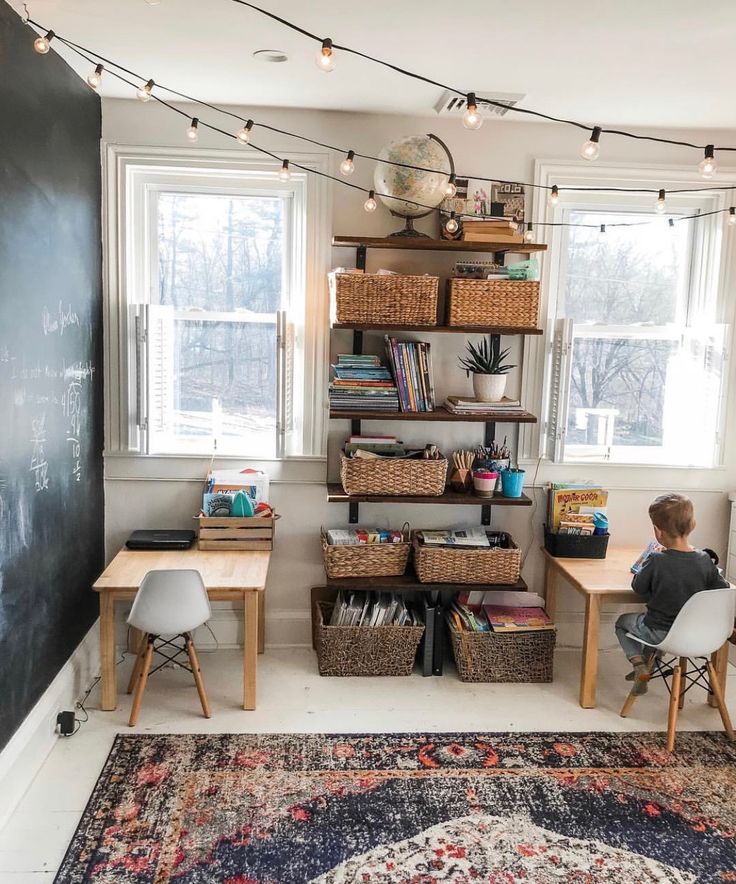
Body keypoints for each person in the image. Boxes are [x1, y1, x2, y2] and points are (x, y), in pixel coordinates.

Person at [615, 493, 729, 695]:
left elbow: (638, 588)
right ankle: (651, 666)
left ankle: (639, 664)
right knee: (658, 630)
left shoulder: (657, 560)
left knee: (623, 623)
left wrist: (642, 569)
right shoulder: (705, 560)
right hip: (700, 633)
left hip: (660, 632)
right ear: (693, 525)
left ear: (658, 532)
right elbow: (722, 590)